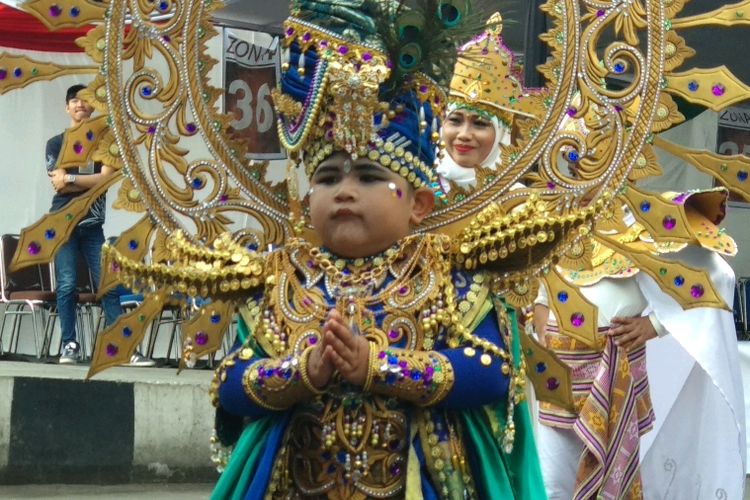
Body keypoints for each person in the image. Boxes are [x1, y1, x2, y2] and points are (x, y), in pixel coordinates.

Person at [532, 192, 745, 499]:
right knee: (551, 484)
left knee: (610, 482)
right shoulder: (553, 226)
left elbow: (717, 276)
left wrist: (654, 325)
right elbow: (540, 296)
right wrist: (545, 330)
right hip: (557, 380)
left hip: (613, 376)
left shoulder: (643, 223)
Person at [47, 84, 154, 367]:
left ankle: (122, 348)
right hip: (64, 226)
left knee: (109, 285)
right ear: (67, 108)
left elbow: (104, 181)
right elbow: (57, 185)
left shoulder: (106, 144)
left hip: (93, 227)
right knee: (67, 285)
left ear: (93, 107)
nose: (80, 105)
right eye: (74, 101)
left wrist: (71, 180)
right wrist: (83, 183)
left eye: (85, 101)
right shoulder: (56, 143)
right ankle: (69, 344)